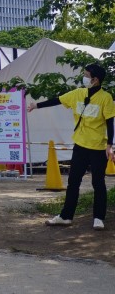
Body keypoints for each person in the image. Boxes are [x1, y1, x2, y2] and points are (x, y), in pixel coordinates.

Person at [28, 63, 115, 230]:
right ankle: (66, 216)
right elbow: (58, 100)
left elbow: (110, 122)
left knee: (98, 183)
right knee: (73, 181)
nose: (84, 77)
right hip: (80, 145)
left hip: (98, 147)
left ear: (95, 79)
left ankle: (98, 218)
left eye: (86, 75)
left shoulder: (106, 98)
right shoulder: (78, 94)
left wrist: (110, 145)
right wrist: (36, 106)